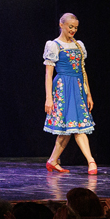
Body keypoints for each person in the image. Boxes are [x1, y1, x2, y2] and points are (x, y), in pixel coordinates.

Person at [44, 12, 96, 173]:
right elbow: (48, 74)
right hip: (63, 88)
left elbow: (83, 72)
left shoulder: (79, 45)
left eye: (75, 28)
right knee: (72, 127)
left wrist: (88, 94)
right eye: (70, 27)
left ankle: (52, 160)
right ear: (61, 25)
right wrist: (48, 98)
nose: (73, 30)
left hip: (78, 88)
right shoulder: (54, 45)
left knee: (70, 127)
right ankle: (91, 161)